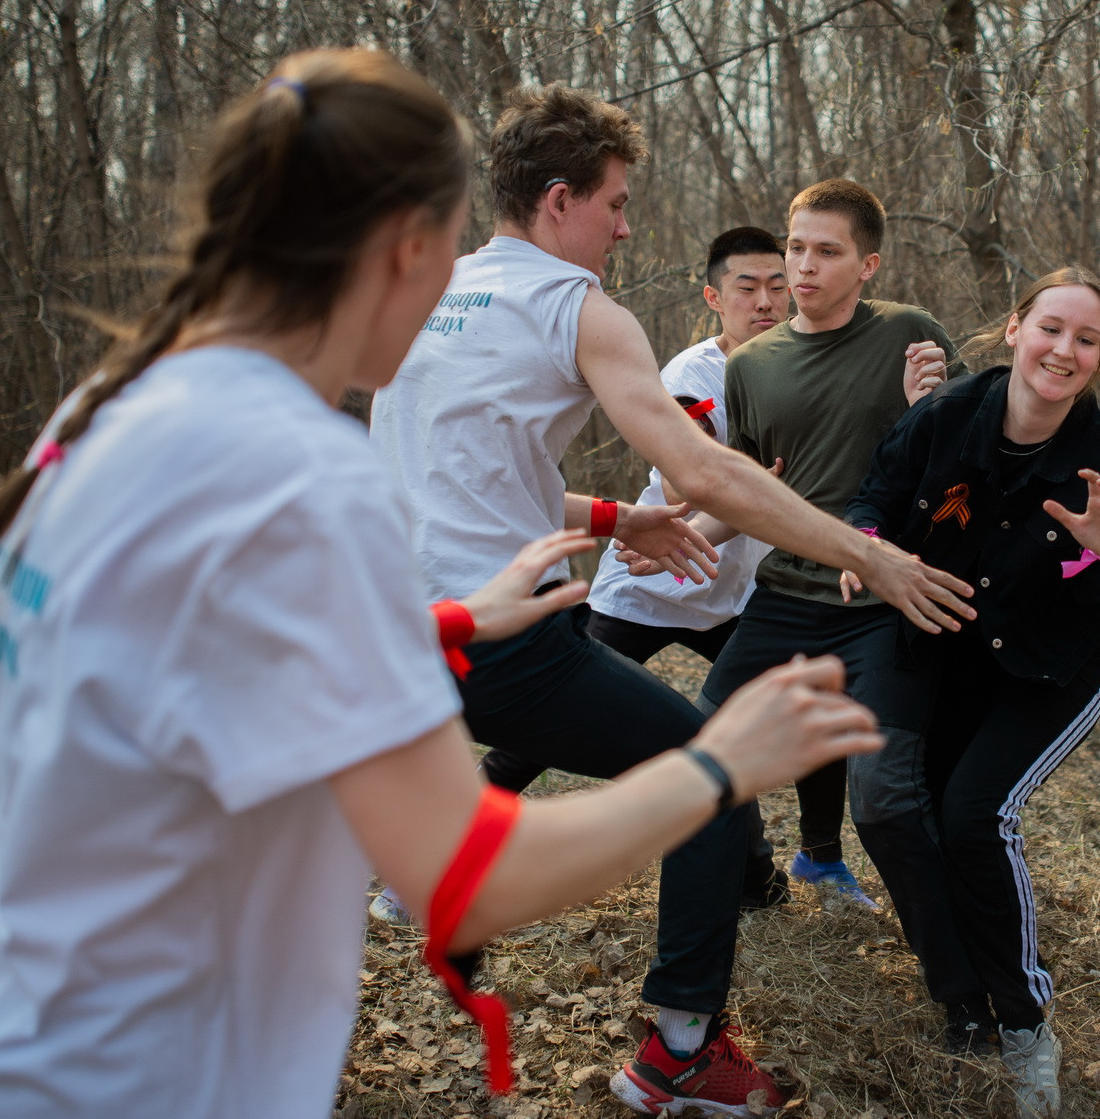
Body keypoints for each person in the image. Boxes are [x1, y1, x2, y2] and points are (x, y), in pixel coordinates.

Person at [0, 50, 882, 1119]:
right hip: (111, 1078)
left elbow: (200, 674)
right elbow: (467, 874)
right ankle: (680, 1051)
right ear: (404, 249)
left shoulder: (106, 413)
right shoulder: (300, 479)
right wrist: (720, 764)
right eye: (450, 252)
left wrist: (440, 621)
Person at [366, 92, 974, 1117]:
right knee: (714, 776)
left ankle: (438, 879)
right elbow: (709, 470)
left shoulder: (435, 291)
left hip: (396, 633)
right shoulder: (578, 307)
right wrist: (861, 553)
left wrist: (615, 517)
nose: (625, 223)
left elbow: (453, 476)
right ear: (559, 200)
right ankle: (681, 1050)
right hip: (502, 633)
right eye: (614, 201)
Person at [839, 267, 1100, 1118]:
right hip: (938, 635)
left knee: (972, 814)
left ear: (1099, 357)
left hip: (1049, 663)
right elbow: (876, 498)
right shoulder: (949, 412)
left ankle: (1026, 1024)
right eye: (1051, 328)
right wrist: (864, 548)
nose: (1064, 350)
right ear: (1013, 330)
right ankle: (960, 999)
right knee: (894, 804)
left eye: (1086, 339)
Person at [687, 178, 959, 912]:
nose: (803, 267)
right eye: (796, 247)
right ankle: (754, 884)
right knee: (701, 745)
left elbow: (966, 474)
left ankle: (944, 924)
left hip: (880, 593)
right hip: (786, 595)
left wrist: (925, 411)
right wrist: (682, 535)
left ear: (867, 265)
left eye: (826, 252)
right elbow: (749, 490)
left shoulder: (911, 333)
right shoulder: (750, 365)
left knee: (884, 792)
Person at [584, 227, 786, 668]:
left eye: (777, 286)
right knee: (566, 717)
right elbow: (681, 489)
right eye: (747, 289)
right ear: (713, 298)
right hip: (649, 579)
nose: (765, 302)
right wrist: (754, 477)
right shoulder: (693, 379)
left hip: (735, 593)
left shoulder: (800, 369)